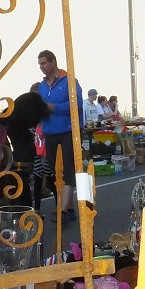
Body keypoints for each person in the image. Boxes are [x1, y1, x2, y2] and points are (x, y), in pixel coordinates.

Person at [36, 49, 83, 221]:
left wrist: (54, 107)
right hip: (49, 132)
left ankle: (63, 210)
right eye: (40, 64)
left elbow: (76, 103)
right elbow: (41, 105)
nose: (41, 67)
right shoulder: (42, 85)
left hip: (67, 130)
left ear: (53, 62)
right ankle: (69, 208)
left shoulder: (68, 80)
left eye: (44, 63)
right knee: (56, 171)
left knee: (68, 168)